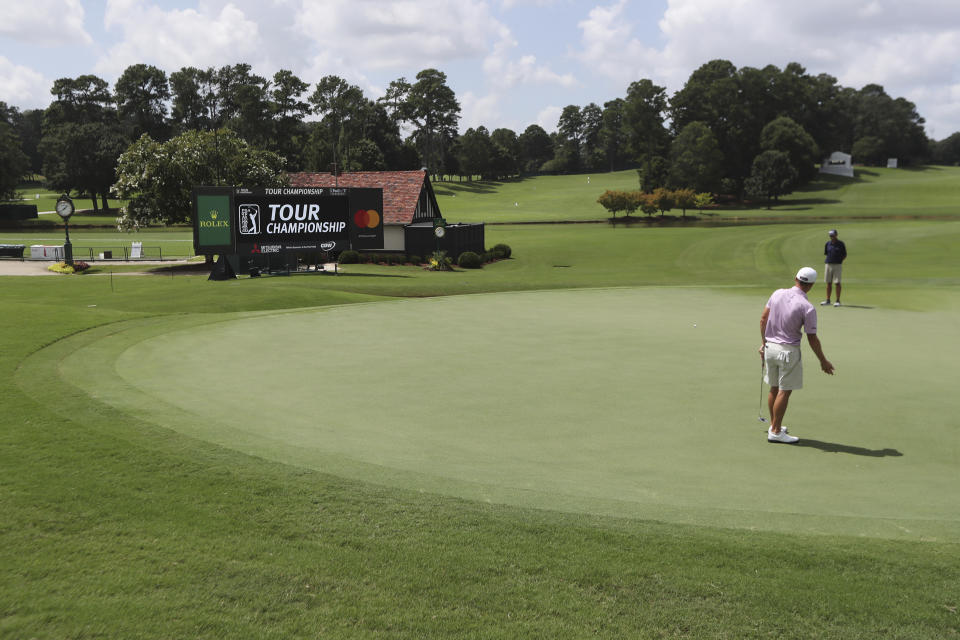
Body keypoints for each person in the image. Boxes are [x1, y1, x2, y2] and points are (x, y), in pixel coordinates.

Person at [759, 267, 835, 443]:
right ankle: (776, 431)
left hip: (770, 348)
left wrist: (764, 344)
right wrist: (823, 361)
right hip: (788, 351)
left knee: (774, 388)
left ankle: (774, 425)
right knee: (784, 392)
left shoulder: (777, 293)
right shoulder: (807, 307)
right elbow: (812, 338)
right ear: (811, 285)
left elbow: (763, 319)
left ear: (796, 279)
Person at [821, 229, 847, 307]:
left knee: (837, 283)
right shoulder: (827, 244)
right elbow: (826, 253)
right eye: (830, 235)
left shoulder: (841, 244)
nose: (831, 237)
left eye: (832, 235)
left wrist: (839, 260)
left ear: (836, 235)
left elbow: (844, 255)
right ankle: (828, 300)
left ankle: (838, 300)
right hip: (828, 264)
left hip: (837, 265)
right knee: (828, 283)